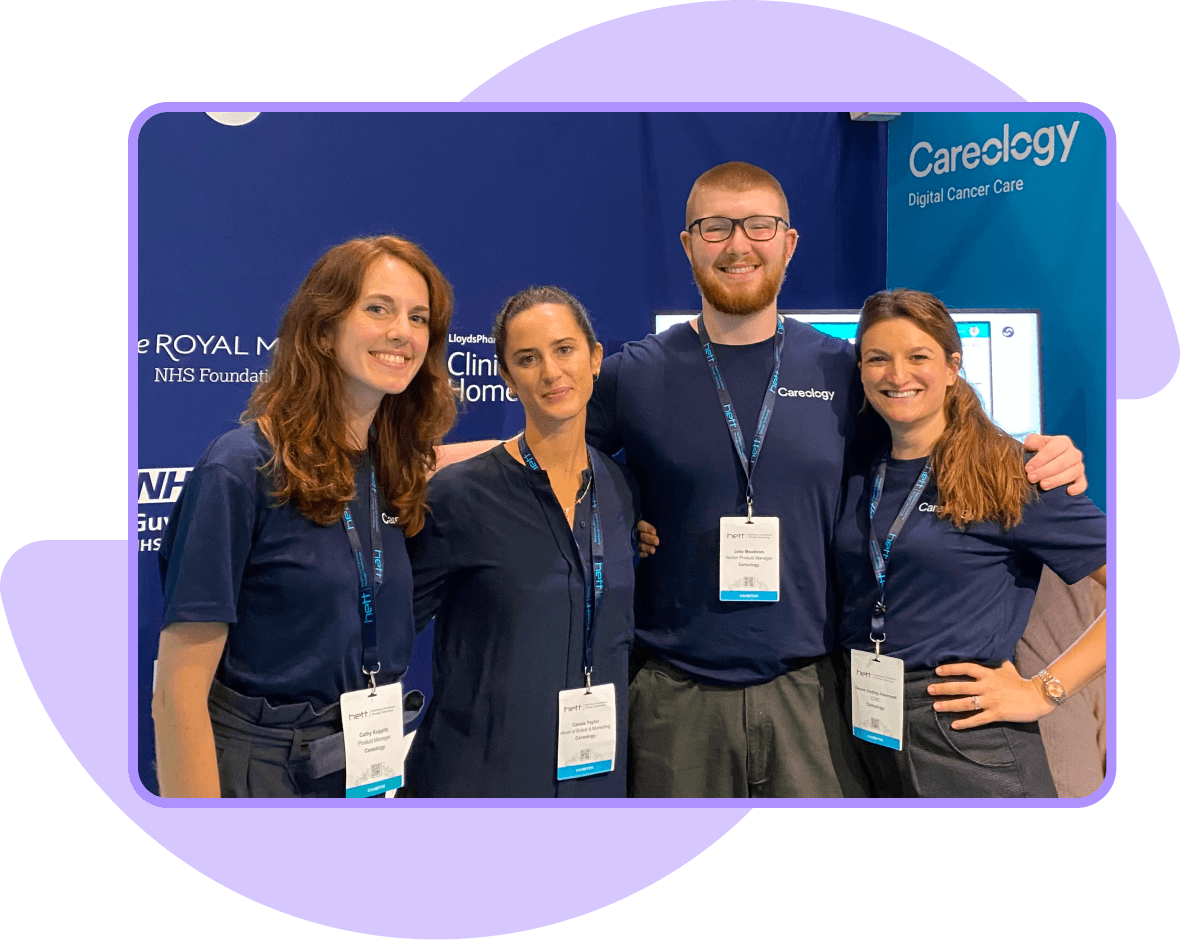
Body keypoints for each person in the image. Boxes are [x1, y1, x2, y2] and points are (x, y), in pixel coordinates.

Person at [585, 162, 1088, 798]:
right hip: (677, 697)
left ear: (789, 243)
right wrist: (425, 461)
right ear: (688, 244)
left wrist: (1042, 456)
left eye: (760, 226)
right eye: (715, 228)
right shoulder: (634, 375)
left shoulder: (844, 368)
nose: (739, 245)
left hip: (817, 695)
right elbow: (541, 456)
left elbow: (936, 426)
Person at [152, 235, 457, 798]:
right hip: (262, 774)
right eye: (377, 309)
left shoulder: (389, 470)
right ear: (322, 330)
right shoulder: (241, 469)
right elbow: (177, 692)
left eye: (419, 318)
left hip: (362, 764)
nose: (402, 332)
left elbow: (481, 458)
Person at [833, 288, 1106, 798]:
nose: (897, 375)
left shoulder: (1010, 473)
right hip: (867, 722)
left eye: (919, 357)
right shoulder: (858, 468)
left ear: (953, 366)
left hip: (963, 732)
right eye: (878, 359)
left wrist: (1043, 691)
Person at [404, 287, 642, 797]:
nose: (551, 373)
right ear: (508, 378)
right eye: (527, 360)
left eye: (564, 349)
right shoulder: (458, 496)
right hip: (480, 785)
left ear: (595, 358)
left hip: (593, 783)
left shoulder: (621, 490)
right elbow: (385, 628)